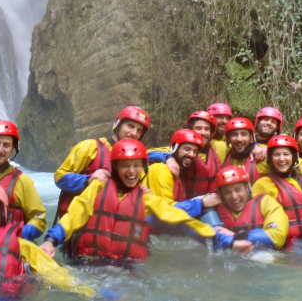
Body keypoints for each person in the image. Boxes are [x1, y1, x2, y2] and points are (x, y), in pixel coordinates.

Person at [40, 139, 217, 261]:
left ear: (143, 168)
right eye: (125, 166)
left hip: (125, 266)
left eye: (136, 166)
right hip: (89, 262)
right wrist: (50, 241)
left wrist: (221, 237)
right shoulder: (98, 187)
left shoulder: (145, 197)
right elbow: (74, 216)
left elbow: (172, 216)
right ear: (115, 167)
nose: (131, 172)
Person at [53, 106, 150, 222]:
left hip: (112, 225)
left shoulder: (138, 160)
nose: (134, 133)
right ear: (118, 125)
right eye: (130, 126)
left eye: (139, 130)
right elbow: (60, 177)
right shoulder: (90, 147)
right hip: (79, 225)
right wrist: (87, 181)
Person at [252, 135, 302, 244]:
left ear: (294, 157)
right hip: (287, 245)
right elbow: (252, 216)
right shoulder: (263, 184)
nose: (282, 159)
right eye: (276, 155)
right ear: (270, 158)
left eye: (286, 154)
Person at [144, 129, 221, 218]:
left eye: (195, 151)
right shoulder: (161, 170)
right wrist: (201, 203)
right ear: (175, 148)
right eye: (187, 149)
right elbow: (164, 212)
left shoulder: (179, 171)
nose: (192, 155)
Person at [148, 111, 224, 197]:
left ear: (211, 133)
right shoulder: (179, 149)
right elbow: (147, 154)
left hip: (209, 200)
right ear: (190, 130)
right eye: (199, 128)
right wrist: (168, 157)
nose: (203, 132)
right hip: (188, 202)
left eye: (207, 129)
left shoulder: (220, 148)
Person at [214, 166, 289, 252]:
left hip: (264, 257)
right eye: (227, 192)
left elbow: (278, 235)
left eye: (238, 189)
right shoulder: (216, 210)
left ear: (247, 188)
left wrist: (237, 238)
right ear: (221, 195)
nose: (234, 197)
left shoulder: (266, 202)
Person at [222, 118, 269, 184]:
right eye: (234, 134)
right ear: (229, 138)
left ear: (251, 138)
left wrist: (268, 148)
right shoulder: (223, 154)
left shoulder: (261, 158)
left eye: (244, 134)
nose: (239, 139)